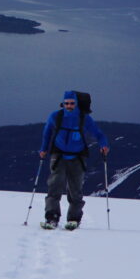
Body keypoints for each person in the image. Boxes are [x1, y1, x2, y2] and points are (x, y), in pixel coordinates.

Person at [37, 90, 109, 229]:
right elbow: (47, 133)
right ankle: (52, 217)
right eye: (67, 103)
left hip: (78, 156)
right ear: (63, 103)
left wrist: (104, 145)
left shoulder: (84, 118)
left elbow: (98, 134)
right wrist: (43, 149)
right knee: (54, 187)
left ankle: (74, 219)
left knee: (75, 190)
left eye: (72, 103)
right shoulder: (55, 116)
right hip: (58, 155)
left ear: (76, 104)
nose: (69, 106)